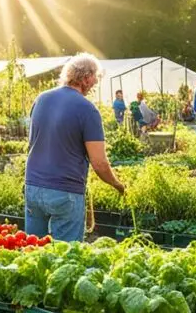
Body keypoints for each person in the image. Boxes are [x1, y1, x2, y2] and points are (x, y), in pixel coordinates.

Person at [25, 53, 124, 242]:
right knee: (67, 259)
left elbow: (32, 143)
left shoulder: (41, 99)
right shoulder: (88, 109)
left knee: (32, 252)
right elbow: (99, 162)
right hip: (65, 192)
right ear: (85, 78)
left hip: (33, 187)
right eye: (94, 77)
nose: (95, 82)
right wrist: (117, 185)